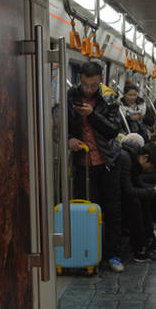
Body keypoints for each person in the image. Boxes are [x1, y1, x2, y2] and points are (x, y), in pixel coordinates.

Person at [66, 61, 123, 272]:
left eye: (92, 85)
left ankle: (113, 255)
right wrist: (69, 138)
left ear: (100, 80)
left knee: (112, 210)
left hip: (107, 161)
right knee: (88, 210)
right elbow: (61, 124)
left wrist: (91, 114)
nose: (88, 89)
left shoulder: (109, 98)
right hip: (83, 162)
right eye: (85, 84)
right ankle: (90, 252)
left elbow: (112, 130)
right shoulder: (71, 96)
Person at [119, 135, 156, 263]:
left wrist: (153, 189)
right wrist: (152, 191)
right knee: (136, 202)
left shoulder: (134, 158)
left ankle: (149, 239)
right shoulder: (126, 159)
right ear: (145, 158)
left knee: (147, 197)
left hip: (125, 193)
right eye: (151, 167)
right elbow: (128, 190)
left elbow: (136, 183)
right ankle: (140, 249)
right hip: (117, 196)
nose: (149, 170)